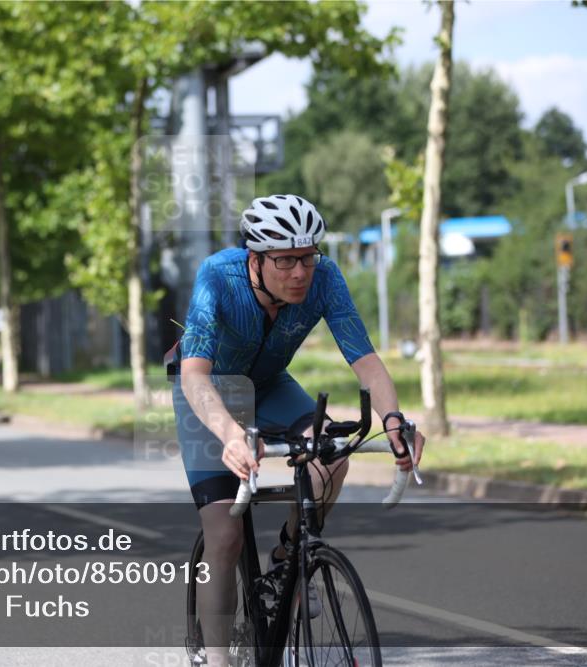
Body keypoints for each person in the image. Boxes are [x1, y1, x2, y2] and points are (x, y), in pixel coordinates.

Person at [170, 194, 426, 666]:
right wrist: (229, 433)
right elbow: (193, 375)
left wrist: (394, 420)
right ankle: (219, 659)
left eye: (307, 258)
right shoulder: (218, 276)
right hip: (212, 389)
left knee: (332, 454)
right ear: (256, 258)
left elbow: (366, 362)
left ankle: (291, 555)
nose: (299, 272)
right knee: (225, 535)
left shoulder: (325, 278)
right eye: (285, 260)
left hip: (270, 385)